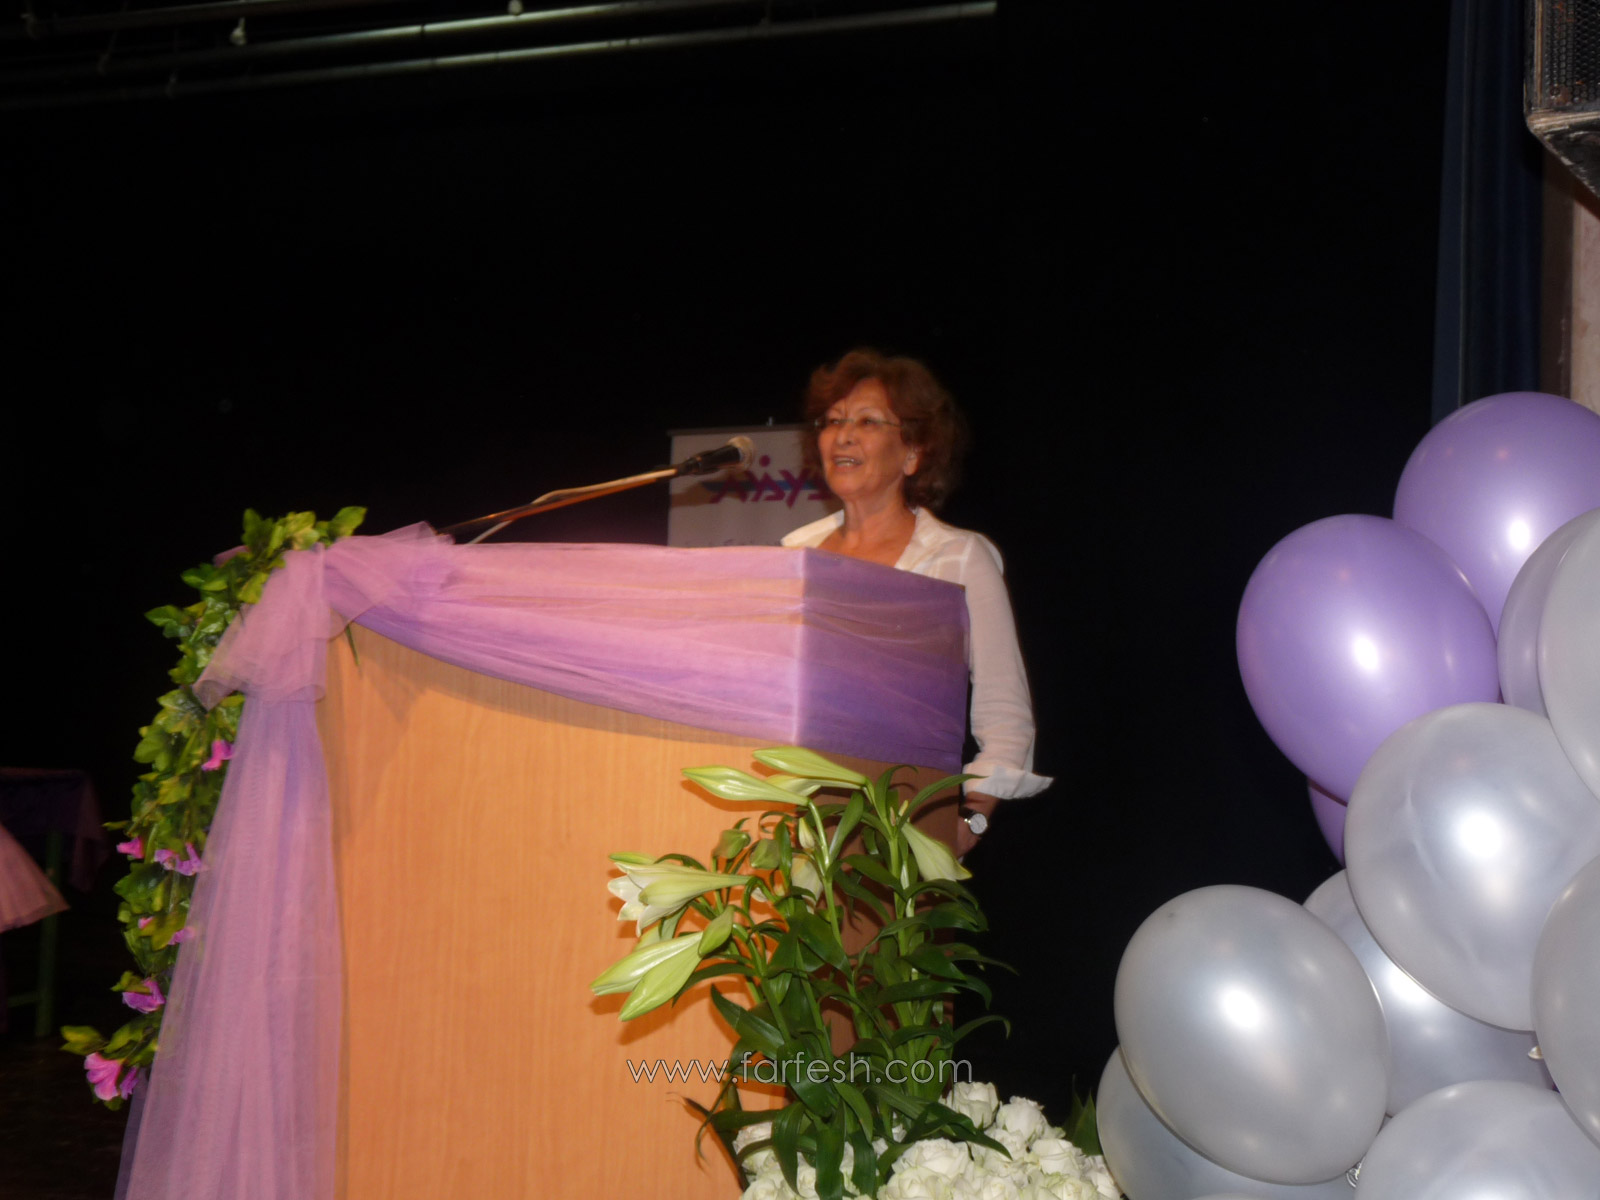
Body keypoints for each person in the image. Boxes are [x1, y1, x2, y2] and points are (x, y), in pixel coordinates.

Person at [781, 348, 1050, 854]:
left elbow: (1005, 714)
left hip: (902, 820)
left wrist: (970, 821)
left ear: (912, 453)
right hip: (790, 813)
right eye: (834, 420)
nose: (843, 435)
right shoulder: (795, 555)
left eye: (867, 421)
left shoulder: (956, 558)